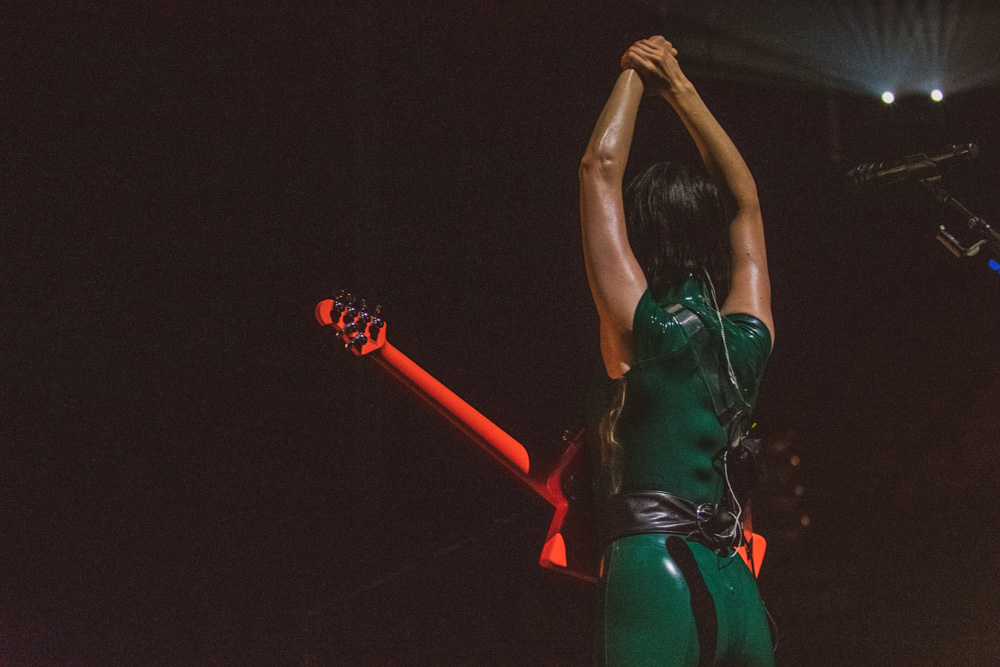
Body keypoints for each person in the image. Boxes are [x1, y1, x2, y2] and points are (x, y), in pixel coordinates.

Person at [579, 36, 776, 666]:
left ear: (640, 234)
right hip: (735, 579)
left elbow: (598, 172)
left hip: (656, 571)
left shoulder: (643, 329)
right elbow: (745, 203)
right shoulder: (749, 338)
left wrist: (635, 70)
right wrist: (680, 85)